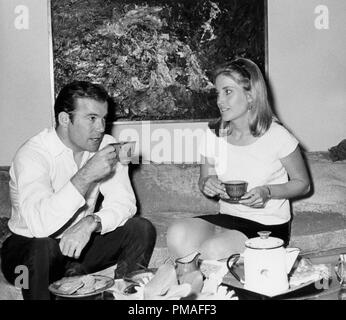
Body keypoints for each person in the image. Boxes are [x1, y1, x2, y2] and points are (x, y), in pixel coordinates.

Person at [0, 81, 156, 300]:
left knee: (141, 228)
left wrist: (91, 222)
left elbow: (125, 203)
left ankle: (125, 296)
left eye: (104, 118)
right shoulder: (32, 154)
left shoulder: (108, 145)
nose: (101, 128)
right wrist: (86, 175)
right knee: (43, 247)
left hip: (78, 248)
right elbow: (39, 226)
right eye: (92, 118)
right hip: (25, 257)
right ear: (65, 119)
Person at [167, 58, 310, 260]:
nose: (219, 101)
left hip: (268, 225)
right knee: (177, 234)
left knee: (213, 250)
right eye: (218, 93)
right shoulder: (214, 134)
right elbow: (204, 179)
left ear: (251, 96)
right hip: (228, 218)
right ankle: (193, 284)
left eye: (228, 92)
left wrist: (268, 192)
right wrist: (207, 184)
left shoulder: (277, 135)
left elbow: (303, 184)